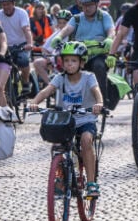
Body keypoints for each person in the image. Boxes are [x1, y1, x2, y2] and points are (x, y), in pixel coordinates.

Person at [30, 41, 104, 197]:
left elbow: (96, 91)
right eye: (66, 61)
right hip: (66, 121)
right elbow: (46, 91)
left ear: (82, 62)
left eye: (74, 60)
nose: (69, 64)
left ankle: (91, 183)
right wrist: (35, 102)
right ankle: (60, 179)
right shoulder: (60, 78)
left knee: (85, 140)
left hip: (86, 120)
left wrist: (99, 103)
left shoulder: (88, 77)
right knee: (57, 145)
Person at [49, 0, 115, 107]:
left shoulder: (104, 16)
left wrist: (109, 38)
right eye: (84, 5)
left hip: (98, 54)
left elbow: (111, 30)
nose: (86, 8)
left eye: (89, 5)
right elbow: (67, 29)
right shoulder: (77, 18)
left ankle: (102, 101)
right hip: (80, 55)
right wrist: (59, 36)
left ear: (96, 4)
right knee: (68, 68)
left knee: (98, 66)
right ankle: (63, 101)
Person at [0, 0, 35, 94]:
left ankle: (25, 82)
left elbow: (26, 29)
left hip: (21, 45)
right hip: (6, 46)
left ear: (13, 3)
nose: (6, 7)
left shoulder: (21, 13)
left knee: (24, 60)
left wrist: (29, 43)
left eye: (8, 4)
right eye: (3, 5)